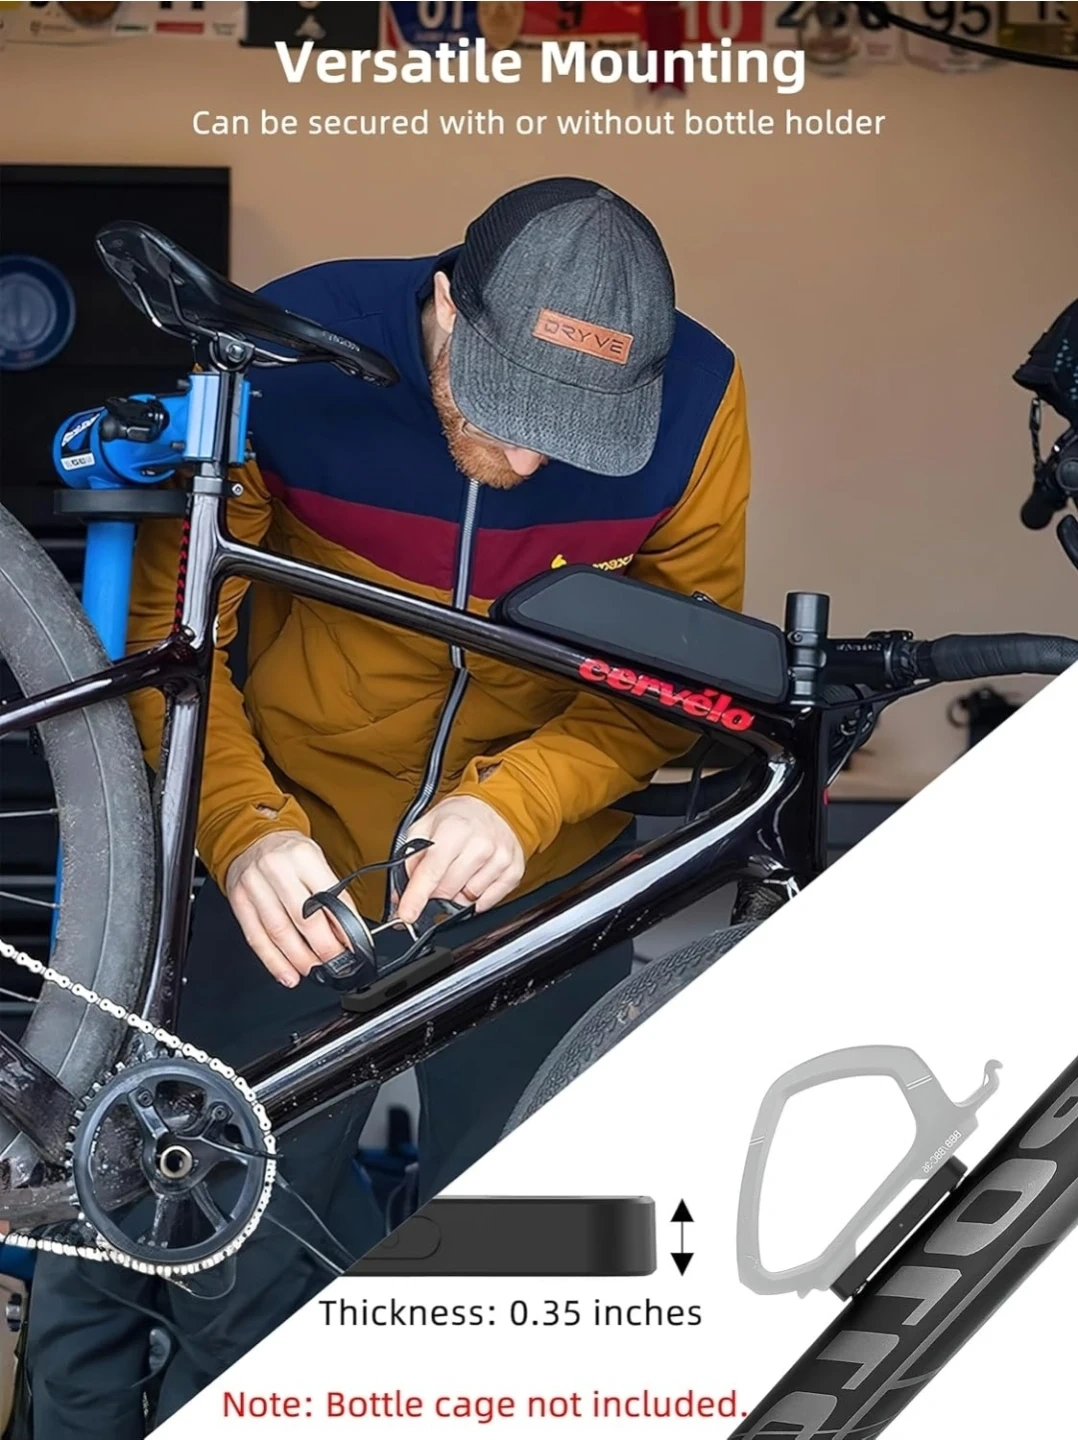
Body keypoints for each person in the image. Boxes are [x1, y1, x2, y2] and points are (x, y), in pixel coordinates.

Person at [22, 176, 751, 1436]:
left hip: (545, 883)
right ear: (446, 312)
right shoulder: (291, 350)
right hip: (292, 876)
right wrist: (243, 828)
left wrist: (520, 805)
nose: (527, 461)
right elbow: (167, 639)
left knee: (527, 1264)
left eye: (574, 434)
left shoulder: (701, 399)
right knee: (224, 1258)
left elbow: (677, 679)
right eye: (505, 409)